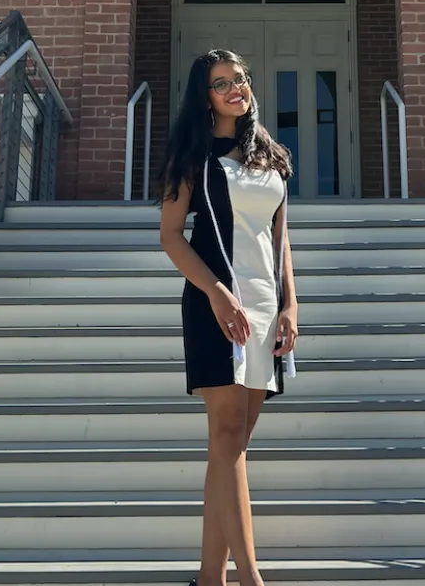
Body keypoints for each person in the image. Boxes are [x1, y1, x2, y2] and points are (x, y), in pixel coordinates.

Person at [157, 49, 299, 586]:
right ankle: (250, 579)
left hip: (264, 307)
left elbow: (281, 239)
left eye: (240, 78)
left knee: (232, 447)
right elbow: (171, 236)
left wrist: (290, 304)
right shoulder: (192, 155)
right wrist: (217, 294)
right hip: (216, 304)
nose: (236, 89)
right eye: (222, 84)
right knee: (227, 434)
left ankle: (208, 578)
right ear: (205, 95)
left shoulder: (272, 155)